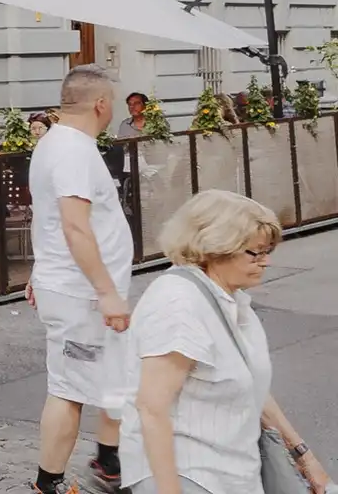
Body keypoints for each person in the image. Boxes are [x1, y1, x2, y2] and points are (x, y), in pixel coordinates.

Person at [118, 190, 329, 494]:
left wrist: (303, 456)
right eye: (254, 253)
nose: (265, 262)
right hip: (191, 476)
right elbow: (151, 409)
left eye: (268, 250)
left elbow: (249, 386)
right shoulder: (177, 304)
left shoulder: (231, 299)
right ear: (214, 248)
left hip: (231, 474)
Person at [28, 68, 135, 494]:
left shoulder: (55, 142)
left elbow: (48, 219)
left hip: (77, 287)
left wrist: (39, 270)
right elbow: (73, 226)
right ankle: (48, 483)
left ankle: (110, 459)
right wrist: (106, 293)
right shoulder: (73, 151)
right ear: (101, 104)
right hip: (81, 293)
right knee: (69, 388)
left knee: (120, 372)